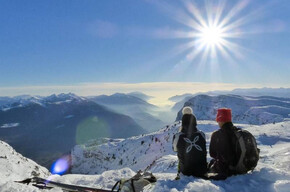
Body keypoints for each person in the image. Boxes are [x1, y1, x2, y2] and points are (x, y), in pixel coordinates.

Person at [172, 106, 207, 179]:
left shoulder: (178, 136)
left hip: (186, 171)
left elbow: (175, 149)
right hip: (202, 170)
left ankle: (179, 174)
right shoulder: (201, 134)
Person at [208, 108, 238, 180]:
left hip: (226, 169)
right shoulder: (238, 132)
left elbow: (212, 154)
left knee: (211, 163)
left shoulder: (217, 134)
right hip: (241, 166)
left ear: (220, 120)